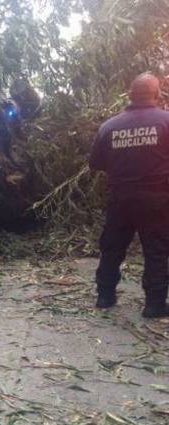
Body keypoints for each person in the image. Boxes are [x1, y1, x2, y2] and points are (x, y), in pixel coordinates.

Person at [89, 73, 169, 319]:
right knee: (156, 249)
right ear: (157, 95)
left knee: (112, 246)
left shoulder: (110, 127)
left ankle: (105, 296)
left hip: (120, 197)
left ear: (130, 96)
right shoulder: (166, 121)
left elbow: (95, 163)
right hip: (157, 197)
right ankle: (154, 304)